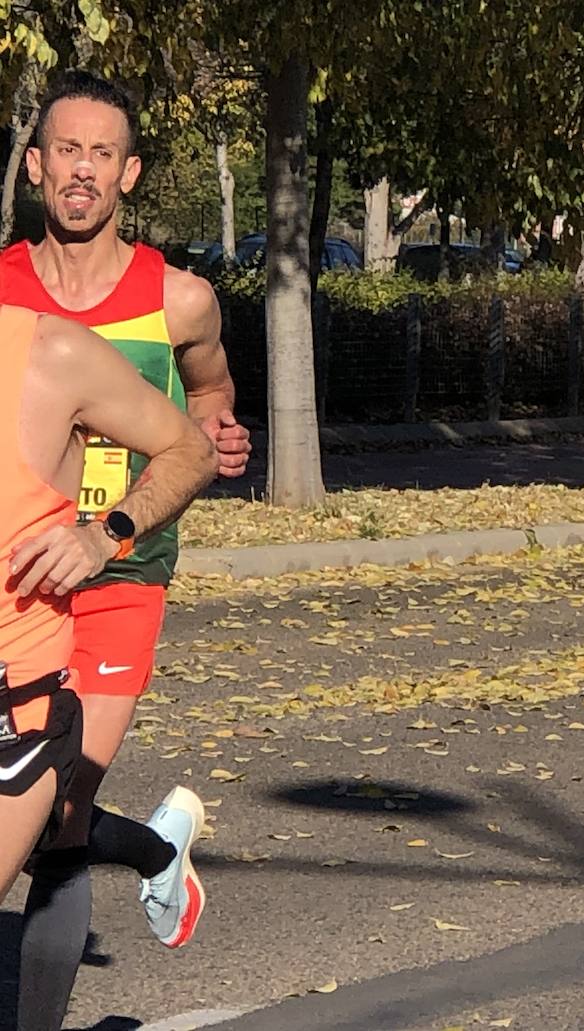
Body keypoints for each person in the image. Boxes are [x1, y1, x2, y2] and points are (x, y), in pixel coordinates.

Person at [0, 70, 250, 1031]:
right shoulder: (8, 293)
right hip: (22, 588)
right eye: (67, 149)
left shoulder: (180, 299)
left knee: (57, 817)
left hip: (123, 571)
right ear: (36, 165)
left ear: (129, 175)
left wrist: (221, 435)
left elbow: (212, 395)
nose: (83, 171)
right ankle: (157, 848)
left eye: (103, 154)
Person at [0, 305, 216, 904]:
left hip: (13, 698)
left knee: (64, 830)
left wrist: (104, 533)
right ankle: (154, 850)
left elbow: (191, 450)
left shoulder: (50, 352)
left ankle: (158, 854)